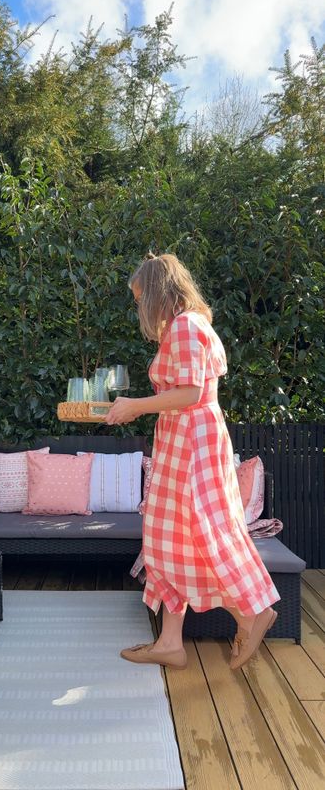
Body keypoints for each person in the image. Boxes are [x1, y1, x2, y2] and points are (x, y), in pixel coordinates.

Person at [105, 253, 280, 670]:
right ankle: (170, 642)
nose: (139, 307)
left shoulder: (184, 327)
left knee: (198, 533)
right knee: (173, 537)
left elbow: (188, 393)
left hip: (189, 442)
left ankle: (251, 612)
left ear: (158, 292)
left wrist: (135, 406)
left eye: (139, 297)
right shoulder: (197, 323)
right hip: (189, 439)